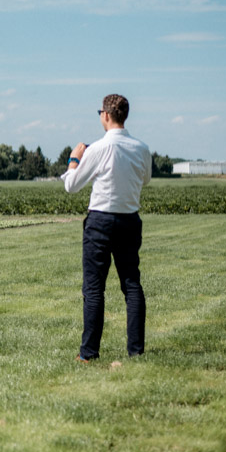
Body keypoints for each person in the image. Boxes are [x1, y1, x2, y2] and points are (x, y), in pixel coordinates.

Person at [62, 94, 152, 362]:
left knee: (93, 288)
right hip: (129, 219)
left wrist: (74, 159)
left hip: (100, 221)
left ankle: (89, 352)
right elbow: (145, 180)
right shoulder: (142, 148)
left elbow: (71, 185)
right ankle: (136, 351)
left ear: (106, 115)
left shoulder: (98, 149)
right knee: (131, 284)